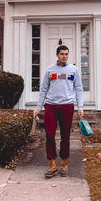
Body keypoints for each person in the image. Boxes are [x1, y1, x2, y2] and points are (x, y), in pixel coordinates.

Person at [33, 45, 84, 178]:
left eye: (66, 54)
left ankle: (64, 162)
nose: (64, 56)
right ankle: (52, 164)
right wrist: (39, 106)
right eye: (62, 54)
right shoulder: (50, 70)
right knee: (49, 135)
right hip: (50, 106)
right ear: (57, 55)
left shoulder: (73, 70)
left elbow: (78, 88)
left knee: (65, 136)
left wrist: (80, 106)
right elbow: (43, 89)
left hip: (67, 106)